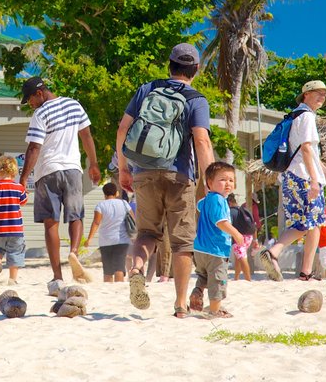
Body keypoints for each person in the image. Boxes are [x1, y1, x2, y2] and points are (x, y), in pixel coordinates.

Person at [115, 43, 214, 317]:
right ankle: (181, 304)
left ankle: (136, 269)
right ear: (195, 70)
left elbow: (123, 128)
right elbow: (202, 140)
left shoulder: (147, 89)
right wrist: (210, 184)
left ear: (169, 65)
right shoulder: (196, 99)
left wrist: (124, 168)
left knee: (147, 233)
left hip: (143, 172)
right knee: (183, 243)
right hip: (179, 175)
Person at [18, 77, 101, 286]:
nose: (31, 104)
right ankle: (73, 252)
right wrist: (93, 164)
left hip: (47, 172)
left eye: (30, 100)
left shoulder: (41, 113)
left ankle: (57, 275)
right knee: (76, 216)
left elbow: (34, 148)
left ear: (39, 93)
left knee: (50, 223)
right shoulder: (74, 104)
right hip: (73, 169)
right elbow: (87, 135)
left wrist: (23, 177)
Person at [257, 80, 326, 281]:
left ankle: (306, 272)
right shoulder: (306, 117)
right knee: (306, 222)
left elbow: (312, 155)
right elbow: (305, 149)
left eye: (324, 93)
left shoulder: (300, 116)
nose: (322, 96)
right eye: (317, 93)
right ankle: (274, 252)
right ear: (305, 95)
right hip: (303, 177)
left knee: (314, 223)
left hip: (294, 175)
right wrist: (314, 181)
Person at [189, 161, 243, 318]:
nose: (228, 183)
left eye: (231, 180)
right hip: (216, 250)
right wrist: (236, 234)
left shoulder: (207, 199)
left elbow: (199, 206)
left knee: (203, 276)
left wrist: (207, 192)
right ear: (210, 183)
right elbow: (221, 222)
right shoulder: (219, 200)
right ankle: (215, 310)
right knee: (218, 281)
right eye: (223, 180)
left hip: (199, 249)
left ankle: (197, 291)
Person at [0, 155, 28, 285]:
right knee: (15, 252)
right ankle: (12, 279)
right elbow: (23, 202)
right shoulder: (19, 188)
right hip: (15, 229)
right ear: (14, 172)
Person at [85, 182, 133, 282]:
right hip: (122, 240)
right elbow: (133, 219)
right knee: (119, 266)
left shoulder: (100, 206)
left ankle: (108, 286)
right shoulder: (124, 203)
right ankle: (118, 290)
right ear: (117, 193)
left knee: (107, 269)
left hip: (105, 241)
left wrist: (89, 239)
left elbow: (96, 223)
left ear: (104, 194)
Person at [227, 193, 255, 281]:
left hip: (238, 237)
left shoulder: (230, 212)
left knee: (242, 258)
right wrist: (255, 239)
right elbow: (253, 223)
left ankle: (248, 279)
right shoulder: (243, 209)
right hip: (249, 236)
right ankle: (236, 277)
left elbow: (228, 225)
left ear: (229, 203)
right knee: (238, 257)